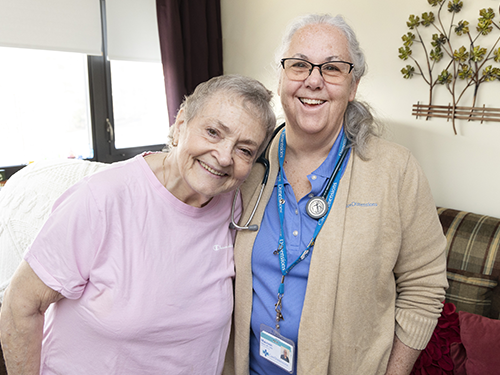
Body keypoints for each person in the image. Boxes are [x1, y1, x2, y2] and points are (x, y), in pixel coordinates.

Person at [0, 74, 276, 375]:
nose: (224, 157)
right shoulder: (101, 199)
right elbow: (20, 306)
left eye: (245, 150)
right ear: (182, 122)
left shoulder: (234, 207)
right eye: (213, 132)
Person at [223, 14, 448, 375]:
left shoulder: (395, 170)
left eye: (332, 68)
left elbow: (424, 287)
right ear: (281, 78)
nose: (313, 81)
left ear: (353, 84)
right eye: (299, 65)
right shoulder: (249, 162)